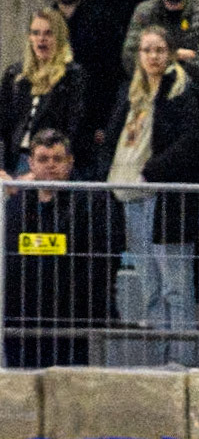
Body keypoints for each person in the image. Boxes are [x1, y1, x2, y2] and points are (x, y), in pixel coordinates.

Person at [102, 26, 199, 367]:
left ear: (172, 53)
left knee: (175, 289)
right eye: (146, 50)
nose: (153, 56)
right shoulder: (129, 93)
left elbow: (191, 142)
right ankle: (157, 361)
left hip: (164, 200)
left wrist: (155, 170)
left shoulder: (182, 93)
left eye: (159, 49)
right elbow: (115, 136)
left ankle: (182, 361)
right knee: (150, 289)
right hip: (129, 195)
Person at [2, 128, 120, 368]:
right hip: (22, 317)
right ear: (31, 164)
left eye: (58, 159)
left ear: (70, 162)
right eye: (43, 160)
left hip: (73, 318)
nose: (51, 166)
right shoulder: (16, 205)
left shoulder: (91, 200)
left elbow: (102, 258)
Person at [45, 0, 120, 170]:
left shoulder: (105, 22)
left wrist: (104, 124)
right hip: (51, 128)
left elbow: (113, 78)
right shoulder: (43, 25)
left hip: (90, 131)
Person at [0, 8, 87, 176]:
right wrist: (1, 168)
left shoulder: (73, 76)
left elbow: (73, 129)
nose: (41, 39)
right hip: (13, 161)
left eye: (48, 33)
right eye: (36, 33)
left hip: (51, 163)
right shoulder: (15, 74)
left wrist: (43, 167)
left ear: (60, 37)